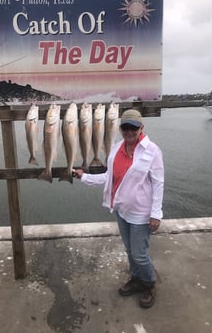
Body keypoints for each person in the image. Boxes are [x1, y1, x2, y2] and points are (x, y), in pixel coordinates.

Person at [74, 109, 164, 309]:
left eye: (134, 127)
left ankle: (149, 284)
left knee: (140, 253)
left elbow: (158, 184)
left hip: (141, 214)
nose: (129, 131)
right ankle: (136, 278)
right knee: (129, 250)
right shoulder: (115, 149)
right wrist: (85, 177)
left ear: (141, 128)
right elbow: (109, 177)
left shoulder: (152, 151)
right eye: (125, 127)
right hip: (122, 211)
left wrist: (156, 214)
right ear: (120, 128)